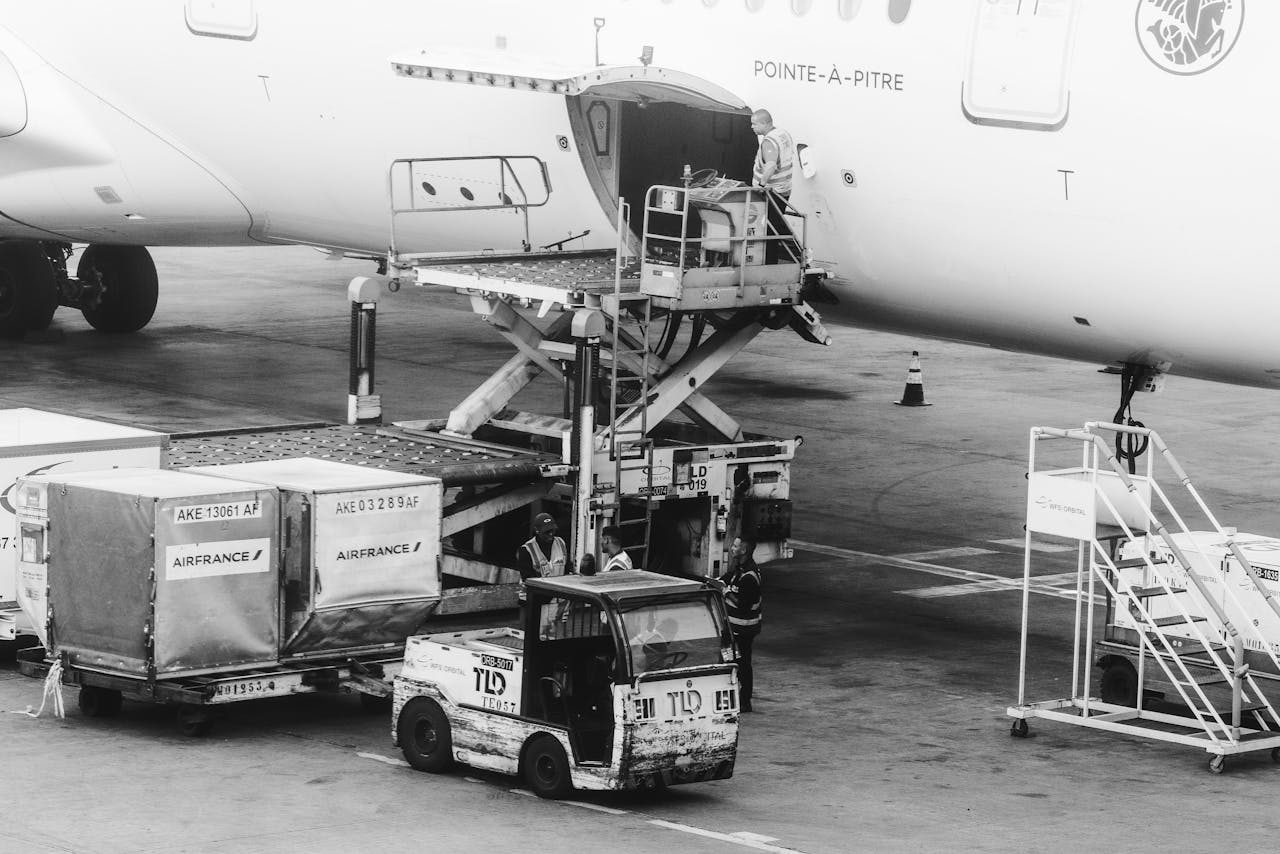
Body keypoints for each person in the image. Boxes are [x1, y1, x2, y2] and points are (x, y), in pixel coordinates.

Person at [749, 108, 799, 264]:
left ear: (764, 123)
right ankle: (775, 259)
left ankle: (769, 263)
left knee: (768, 230)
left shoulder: (768, 143)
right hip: (784, 190)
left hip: (772, 193)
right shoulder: (783, 134)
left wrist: (761, 185)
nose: (752, 127)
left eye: (754, 124)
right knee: (775, 225)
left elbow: (770, 165)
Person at [722, 535, 762, 712]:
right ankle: (732, 695)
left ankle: (745, 700)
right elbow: (727, 578)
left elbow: (742, 605)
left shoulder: (749, 578)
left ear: (744, 550)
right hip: (733, 628)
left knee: (743, 663)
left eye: (736, 546)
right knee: (729, 660)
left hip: (743, 630)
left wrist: (725, 592)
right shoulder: (739, 571)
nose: (732, 548)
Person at [516, 512, 569, 616]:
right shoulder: (526, 550)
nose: (551, 534)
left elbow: (567, 568)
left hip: (557, 602)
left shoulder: (561, 543)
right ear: (537, 531)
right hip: (533, 602)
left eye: (553, 530)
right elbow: (528, 579)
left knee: (555, 631)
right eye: (547, 531)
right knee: (534, 632)